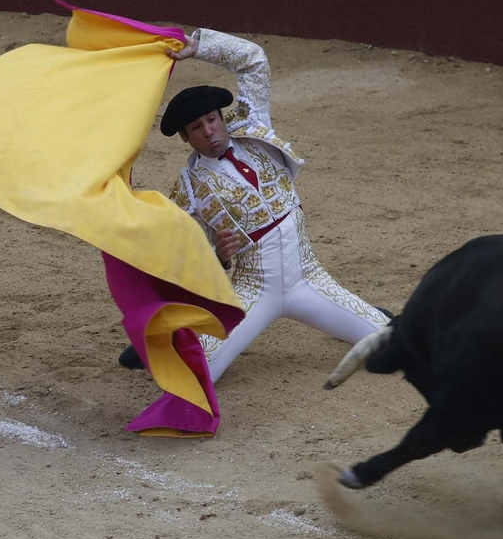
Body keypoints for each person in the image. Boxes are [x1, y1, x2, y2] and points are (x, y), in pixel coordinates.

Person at [118, 28, 391, 383]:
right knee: (194, 376)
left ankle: (358, 316)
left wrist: (199, 47)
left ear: (222, 117)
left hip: (309, 278)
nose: (209, 131)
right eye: (197, 127)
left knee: (391, 341)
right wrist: (219, 256)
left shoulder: (254, 128)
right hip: (253, 292)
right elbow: (180, 262)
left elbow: (253, 61)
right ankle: (168, 337)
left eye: (212, 119)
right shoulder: (188, 190)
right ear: (185, 137)